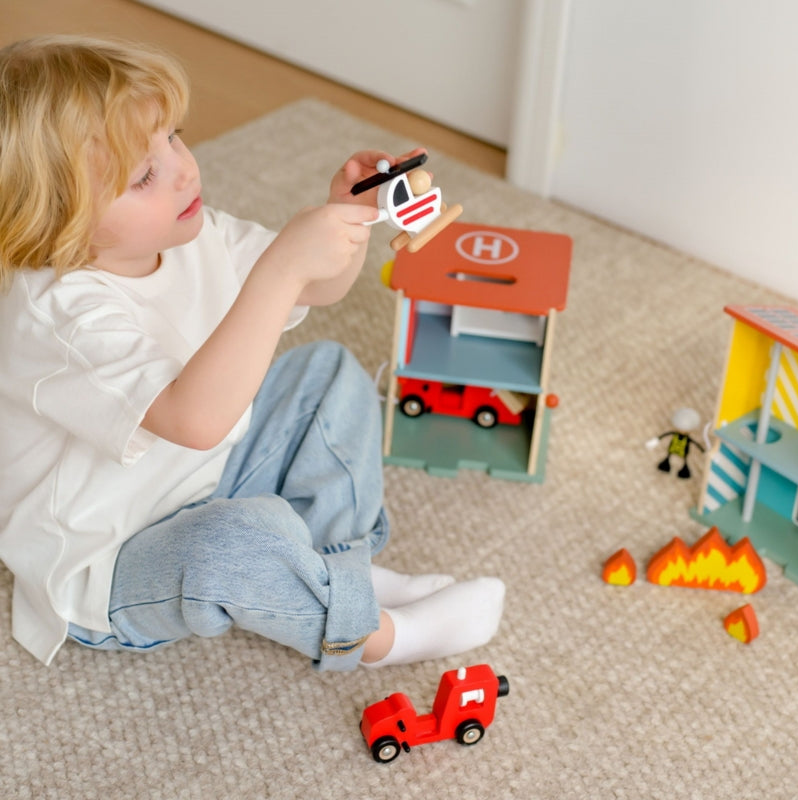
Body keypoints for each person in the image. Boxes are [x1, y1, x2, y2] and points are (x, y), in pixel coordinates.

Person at [0, 35, 504, 668]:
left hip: (212, 473)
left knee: (327, 371)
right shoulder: (59, 320)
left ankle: (336, 568)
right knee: (230, 545)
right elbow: (195, 419)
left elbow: (316, 287)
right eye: (145, 175)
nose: (184, 169)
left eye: (174, 137)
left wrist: (344, 217)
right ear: (56, 219)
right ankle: (376, 636)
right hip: (116, 559)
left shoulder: (190, 233)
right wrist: (280, 269)